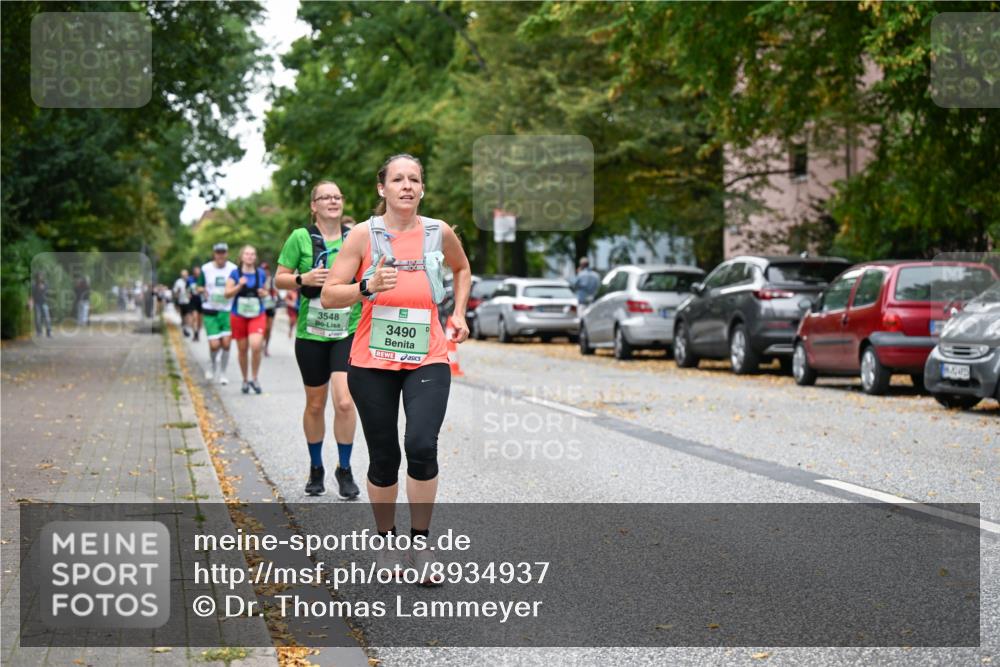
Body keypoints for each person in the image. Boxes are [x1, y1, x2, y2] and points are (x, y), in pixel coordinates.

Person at [322, 154, 471, 584]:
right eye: (397, 179)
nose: (406, 185)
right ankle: (386, 542)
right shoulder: (361, 235)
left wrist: (458, 313)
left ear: (422, 189)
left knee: (422, 445)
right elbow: (331, 295)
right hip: (372, 360)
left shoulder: (437, 231)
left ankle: (422, 548)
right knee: (385, 456)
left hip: (428, 355)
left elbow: (461, 269)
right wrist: (366, 286)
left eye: (415, 179)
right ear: (381, 188)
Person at [275, 180, 362, 499]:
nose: (332, 201)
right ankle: (316, 467)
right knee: (315, 404)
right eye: (325, 197)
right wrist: (304, 278)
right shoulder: (300, 238)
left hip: (346, 331)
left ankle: (345, 468)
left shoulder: (356, 237)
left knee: (344, 400)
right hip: (311, 334)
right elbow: (279, 279)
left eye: (337, 196)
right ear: (313, 205)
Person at [224, 245, 269, 394]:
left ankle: (254, 378)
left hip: (257, 314)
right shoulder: (235, 273)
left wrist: (263, 293)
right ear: (242, 256)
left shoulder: (260, 273)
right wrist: (239, 285)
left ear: (255, 257)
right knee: (242, 349)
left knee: (256, 346)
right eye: (247, 254)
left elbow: (266, 290)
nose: (250, 256)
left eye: (252, 254)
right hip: (239, 315)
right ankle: (244, 379)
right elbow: (227, 294)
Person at [197, 243, 237, 384]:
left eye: (223, 252)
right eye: (218, 253)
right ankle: (213, 364)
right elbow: (198, 286)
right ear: (214, 254)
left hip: (227, 310)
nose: (220, 255)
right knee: (214, 345)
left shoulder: (233, 269)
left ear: (227, 253)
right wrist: (202, 290)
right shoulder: (205, 269)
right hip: (210, 310)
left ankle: (223, 373)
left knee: (226, 344)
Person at [260, 262, 279, 357]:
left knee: (269, 328)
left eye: (266, 269)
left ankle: (266, 347)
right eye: (263, 269)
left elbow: (277, 292)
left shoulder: (272, 280)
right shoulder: (258, 279)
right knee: (263, 328)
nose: (265, 271)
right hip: (261, 306)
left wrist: (270, 292)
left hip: (270, 305)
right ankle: (261, 344)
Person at [32, 273, 53, 337]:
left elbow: (47, 292)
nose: (40, 278)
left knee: (47, 318)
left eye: (41, 276)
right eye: (39, 277)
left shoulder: (45, 284)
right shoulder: (34, 285)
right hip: (37, 303)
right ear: (37, 278)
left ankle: (48, 332)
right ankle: (39, 332)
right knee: (37, 318)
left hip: (44, 303)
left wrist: (43, 288)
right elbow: (32, 294)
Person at [173, 269, 192, 336]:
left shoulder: (190, 281)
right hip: (181, 301)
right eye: (183, 275)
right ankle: (184, 328)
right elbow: (175, 292)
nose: (185, 276)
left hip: (189, 301)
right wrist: (176, 302)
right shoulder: (178, 282)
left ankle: (187, 329)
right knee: (183, 316)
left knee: (188, 315)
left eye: (186, 275)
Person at [187, 266, 203, 341]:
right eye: (196, 272)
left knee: (200, 320)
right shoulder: (190, 279)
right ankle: (195, 333)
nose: (197, 274)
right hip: (193, 300)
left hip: (201, 301)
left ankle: (198, 333)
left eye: (198, 273)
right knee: (194, 317)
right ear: (193, 273)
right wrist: (188, 294)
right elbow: (186, 288)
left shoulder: (203, 279)